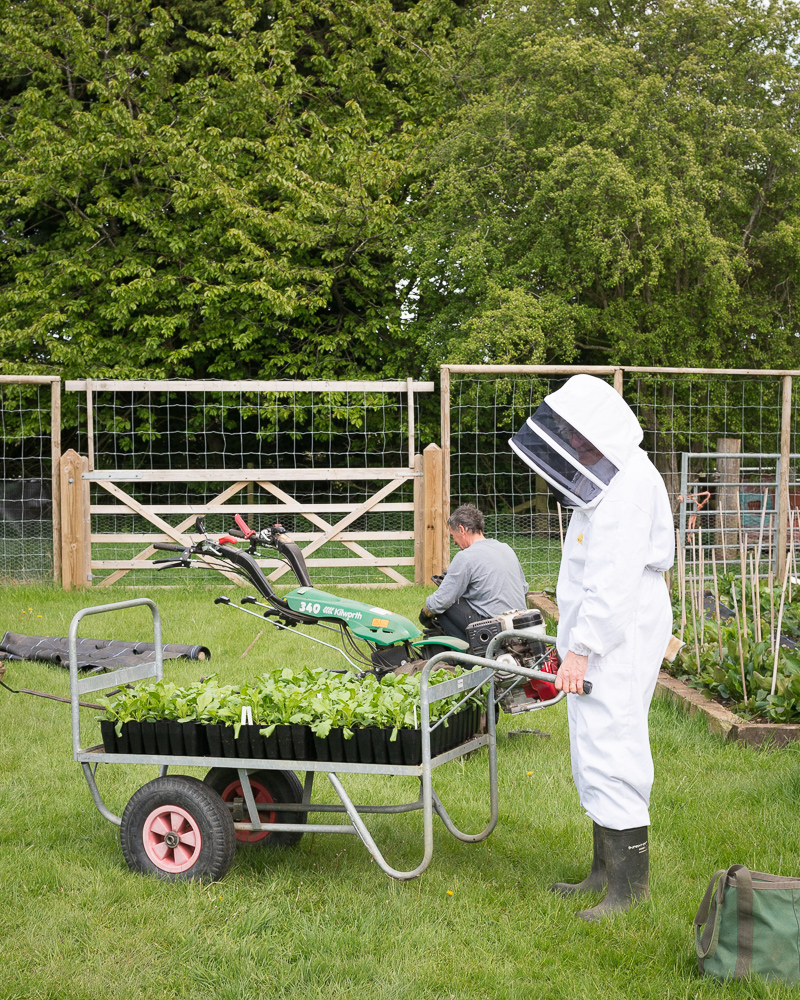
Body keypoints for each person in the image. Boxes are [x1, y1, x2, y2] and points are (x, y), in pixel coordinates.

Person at [510, 374, 674, 921]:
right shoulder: (603, 481)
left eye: (580, 437)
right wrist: (573, 644)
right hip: (605, 626)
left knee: (615, 741)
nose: (575, 446)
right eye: (568, 436)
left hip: (619, 629)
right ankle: (603, 873)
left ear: (602, 430)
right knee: (593, 739)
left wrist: (582, 647)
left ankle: (629, 891)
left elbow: (612, 580)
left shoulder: (627, 486)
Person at [419, 504, 529, 642]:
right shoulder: (505, 548)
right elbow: (524, 588)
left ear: (461, 529)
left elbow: (441, 601)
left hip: (492, 628)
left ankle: (468, 653)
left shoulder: (465, 556)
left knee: (444, 606)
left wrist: (424, 614)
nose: (454, 542)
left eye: (453, 535)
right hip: (519, 622)